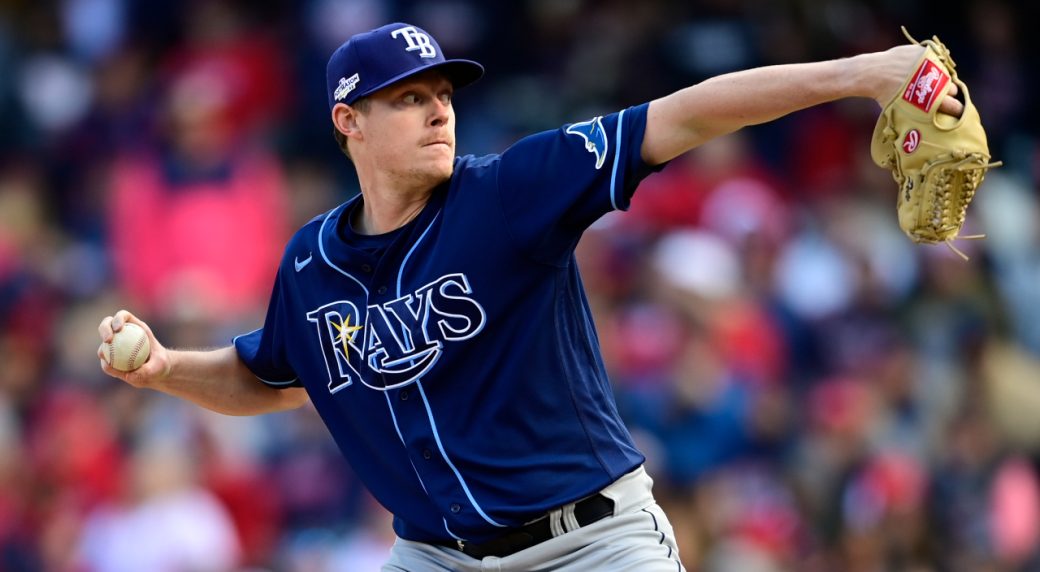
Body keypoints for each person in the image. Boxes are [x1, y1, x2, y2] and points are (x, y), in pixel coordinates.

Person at [98, 21, 964, 571]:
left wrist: (866, 73)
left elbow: (687, 115)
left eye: (443, 94)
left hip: (589, 546)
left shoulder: (509, 191)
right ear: (347, 121)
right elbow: (272, 376)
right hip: (433, 558)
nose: (439, 112)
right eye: (408, 99)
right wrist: (167, 368)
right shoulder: (309, 266)